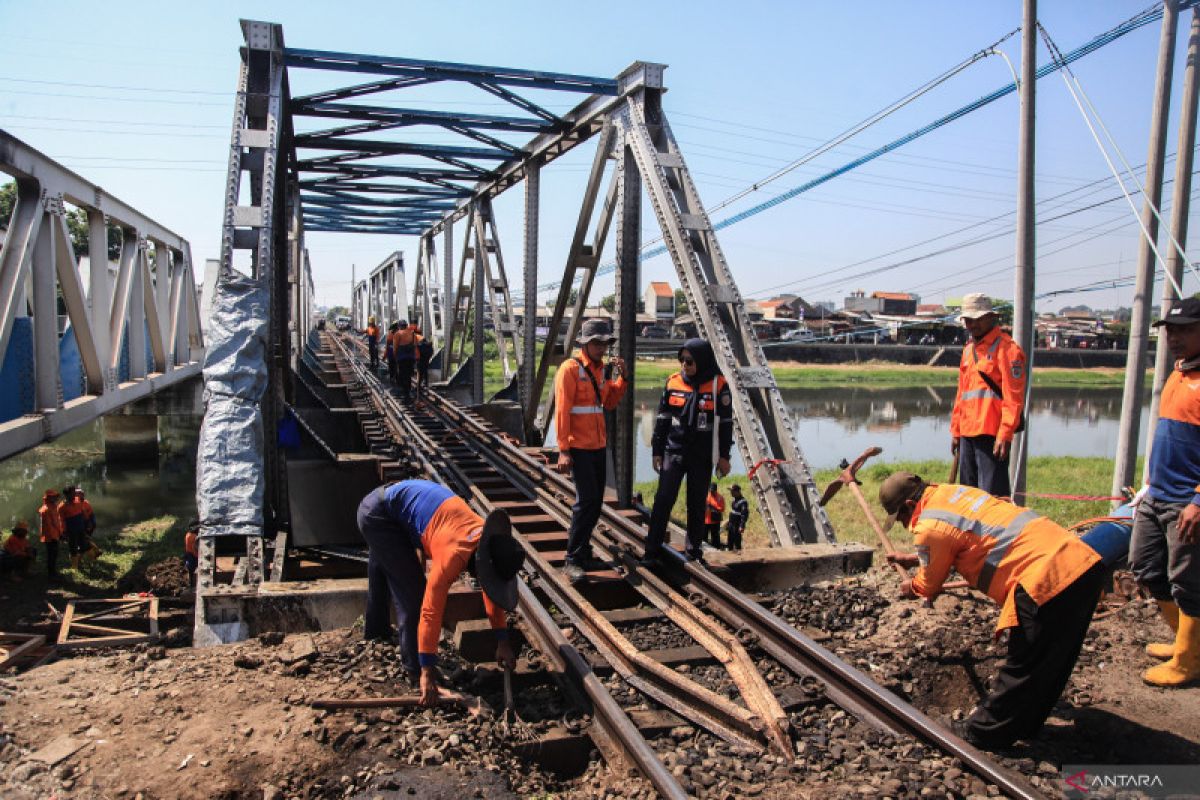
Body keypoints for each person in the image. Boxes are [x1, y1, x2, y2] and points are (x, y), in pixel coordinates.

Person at [880, 470, 1104, 748]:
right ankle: (1025, 725)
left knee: (1023, 665)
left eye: (902, 518)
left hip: (1043, 579)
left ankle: (982, 732)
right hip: (1080, 563)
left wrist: (911, 586)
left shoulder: (928, 526)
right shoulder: (953, 494)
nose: (905, 525)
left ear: (910, 506)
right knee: (1052, 662)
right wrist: (914, 558)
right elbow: (969, 536)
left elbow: (928, 585)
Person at [357, 479, 522, 705]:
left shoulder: (483, 537)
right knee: (413, 596)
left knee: (389, 564)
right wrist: (427, 669)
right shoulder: (452, 556)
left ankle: (376, 631)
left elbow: (490, 592)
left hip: (394, 505)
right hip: (378, 514)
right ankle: (415, 670)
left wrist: (502, 641)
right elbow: (429, 612)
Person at [1131, 296, 1200, 688]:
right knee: (1146, 566)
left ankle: (1189, 661)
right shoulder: (1178, 373)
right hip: (1157, 494)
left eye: (1186, 329)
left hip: (1187, 502)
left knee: (1187, 582)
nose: (1175, 337)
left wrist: (1198, 500)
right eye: (1171, 330)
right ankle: (1184, 642)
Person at [641, 338, 733, 566]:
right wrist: (656, 451)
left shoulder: (718, 385)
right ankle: (651, 551)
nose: (685, 365)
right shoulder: (673, 383)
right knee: (663, 500)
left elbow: (726, 424)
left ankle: (693, 552)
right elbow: (662, 420)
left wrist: (724, 457)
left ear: (701, 360)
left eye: (690, 361)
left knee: (696, 503)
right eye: (682, 360)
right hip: (674, 450)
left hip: (701, 455)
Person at [553, 319, 627, 583]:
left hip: (598, 445)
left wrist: (622, 379)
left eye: (604, 343)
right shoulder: (570, 369)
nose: (601, 347)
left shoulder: (600, 371)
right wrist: (563, 450)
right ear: (585, 344)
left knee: (595, 503)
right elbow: (562, 411)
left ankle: (583, 551)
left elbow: (607, 402)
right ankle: (572, 558)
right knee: (586, 502)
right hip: (579, 447)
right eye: (596, 342)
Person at [950, 293, 1027, 497]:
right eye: (968, 320)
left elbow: (1014, 396)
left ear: (990, 318)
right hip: (967, 432)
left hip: (992, 433)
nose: (972, 324)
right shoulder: (968, 351)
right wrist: (956, 431)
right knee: (968, 496)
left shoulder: (1007, 349)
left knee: (993, 498)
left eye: (977, 319)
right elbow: (962, 394)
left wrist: (1005, 433)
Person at [60, 487, 91, 570]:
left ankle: (79, 560)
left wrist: (87, 523)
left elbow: (83, 512)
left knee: (83, 546)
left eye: (75, 493)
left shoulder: (77, 500)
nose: (75, 494)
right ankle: (74, 567)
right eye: (73, 493)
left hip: (81, 528)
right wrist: (63, 532)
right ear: (66, 495)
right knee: (73, 548)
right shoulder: (62, 506)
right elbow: (61, 520)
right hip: (71, 530)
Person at [38, 489, 64, 580]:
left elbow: (58, 522)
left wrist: (60, 533)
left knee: (54, 554)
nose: (55, 498)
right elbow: (48, 526)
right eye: (53, 497)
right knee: (51, 555)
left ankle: (53, 572)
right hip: (50, 537)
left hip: (55, 535)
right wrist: (54, 537)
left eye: (55, 496)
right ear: (48, 498)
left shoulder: (54, 507)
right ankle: (51, 574)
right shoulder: (46, 509)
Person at [392, 320, 418, 401]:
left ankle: (405, 394)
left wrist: (395, 357)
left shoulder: (398, 334)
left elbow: (395, 348)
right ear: (406, 325)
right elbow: (415, 346)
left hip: (402, 358)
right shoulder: (413, 334)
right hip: (411, 358)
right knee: (408, 376)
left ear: (399, 326)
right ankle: (408, 392)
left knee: (403, 375)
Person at [726, 484, 749, 552]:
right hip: (731, 524)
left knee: (737, 543)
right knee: (730, 541)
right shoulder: (734, 500)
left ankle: (739, 558)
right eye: (731, 491)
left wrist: (742, 526)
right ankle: (730, 556)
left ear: (737, 492)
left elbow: (744, 515)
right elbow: (733, 512)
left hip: (737, 525)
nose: (731, 493)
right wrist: (729, 522)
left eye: (732, 491)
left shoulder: (743, 502)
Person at [705, 483, 725, 550]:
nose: (712, 492)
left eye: (713, 490)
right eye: (710, 490)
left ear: (716, 490)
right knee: (704, 536)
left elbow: (722, 509)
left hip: (715, 521)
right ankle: (704, 549)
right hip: (706, 520)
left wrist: (713, 508)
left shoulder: (720, 497)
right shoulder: (706, 496)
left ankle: (716, 548)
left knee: (715, 537)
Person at [416, 327, 434, 393]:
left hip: (422, 354)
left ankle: (419, 386)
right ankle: (425, 383)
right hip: (427, 353)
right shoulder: (422, 337)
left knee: (420, 370)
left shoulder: (414, 337)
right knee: (424, 369)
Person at [183, 520, 200, 587]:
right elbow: (195, 547)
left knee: (190, 571)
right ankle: (192, 585)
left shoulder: (188, 534)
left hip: (189, 555)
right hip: (193, 556)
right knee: (193, 570)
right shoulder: (193, 536)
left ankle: (191, 584)